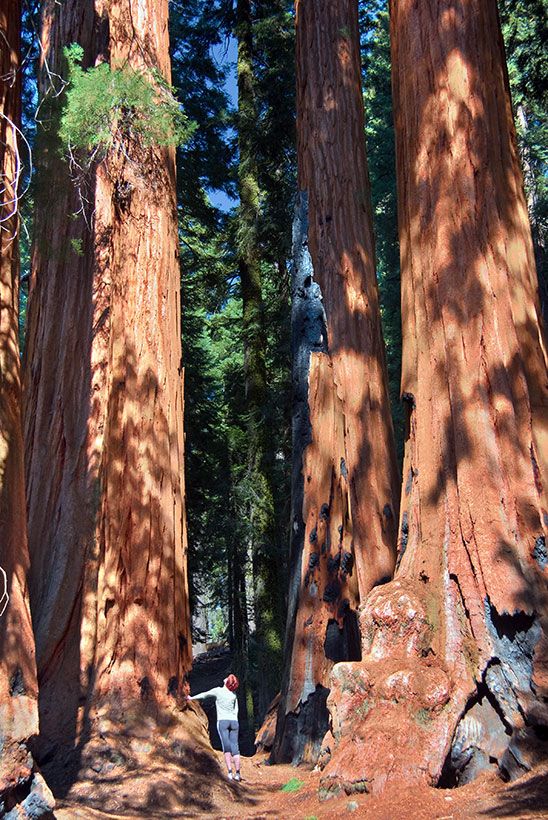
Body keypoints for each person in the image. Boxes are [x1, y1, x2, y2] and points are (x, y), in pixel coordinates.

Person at [187, 674, 241, 781]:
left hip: (223, 722)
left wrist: (191, 698)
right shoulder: (233, 694)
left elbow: (205, 695)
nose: (225, 677)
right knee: (235, 748)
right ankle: (238, 774)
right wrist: (234, 719)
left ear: (226, 682)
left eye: (227, 678)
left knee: (226, 748)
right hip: (234, 722)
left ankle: (230, 772)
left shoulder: (218, 691)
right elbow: (236, 710)